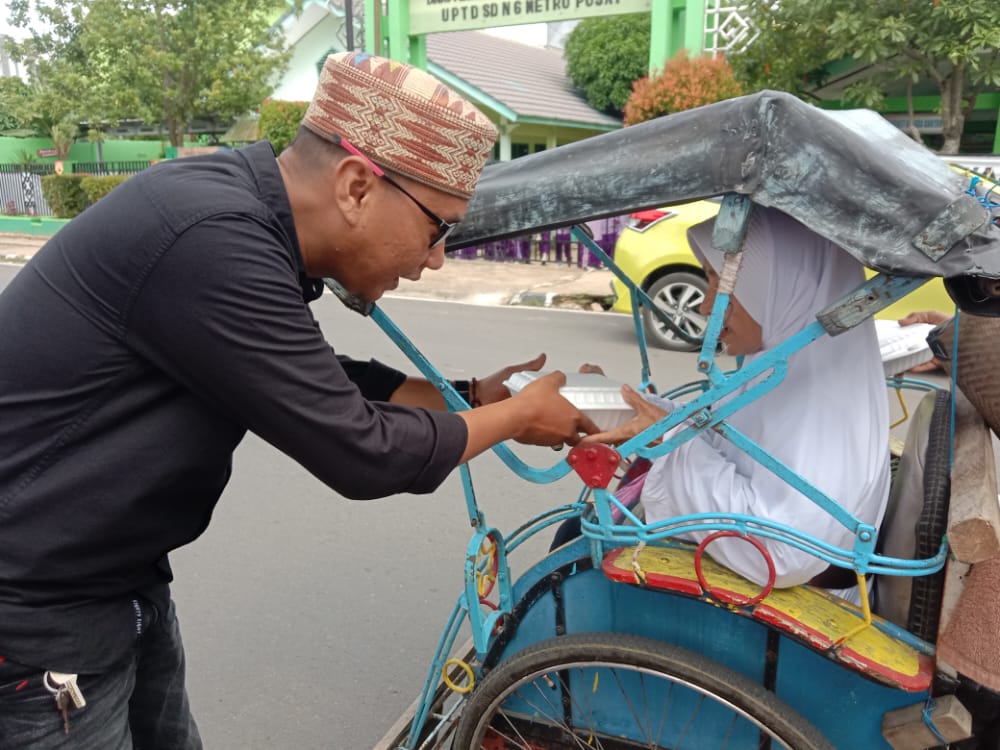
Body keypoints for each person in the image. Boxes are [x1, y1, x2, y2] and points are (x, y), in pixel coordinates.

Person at [0, 52, 599, 749]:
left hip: (119, 584)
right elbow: (362, 452)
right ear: (355, 187)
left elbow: (307, 375)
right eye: (439, 228)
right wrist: (520, 415)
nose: (435, 257)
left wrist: (470, 397)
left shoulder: (239, 217)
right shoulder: (212, 237)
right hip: (37, 611)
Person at [586, 206, 891, 600]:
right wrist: (630, 408)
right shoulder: (783, 365)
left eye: (719, 281)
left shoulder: (821, 401)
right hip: (746, 584)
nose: (704, 305)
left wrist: (669, 443)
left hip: (787, 609)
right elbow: (719, 437)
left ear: (779, 285)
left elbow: (783, 555)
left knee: (581, 563)